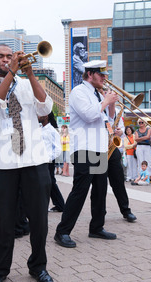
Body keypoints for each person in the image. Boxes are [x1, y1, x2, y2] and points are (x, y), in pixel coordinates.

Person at [0, 43, 54, 282]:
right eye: (1, 56)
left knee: (40, 220)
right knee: (4, 221)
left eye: (10, 56)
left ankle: (38, 266)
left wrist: (30, 74)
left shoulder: (27, 84)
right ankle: (0, 270)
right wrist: (11, 73)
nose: (7, 59)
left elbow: (46, 107)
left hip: (34, 160)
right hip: (3, 162)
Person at [54, 60, 119, 249]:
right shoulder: (78, 92)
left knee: (100, 190)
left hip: (99, 148)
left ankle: (97, 227)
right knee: (80, 191)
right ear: (90, 74)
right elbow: (90, 115)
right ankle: (62, 231)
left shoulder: (97, 94)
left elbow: (109, 119)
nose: (104, 78)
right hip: (83, 148)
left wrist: (111, 104)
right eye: (101, 74)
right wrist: (105, 101)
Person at [104, 100, 137, 223]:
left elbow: (122, 131)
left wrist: (120, 132)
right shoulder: (98, 108)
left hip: (113, 149)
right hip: (99, 148)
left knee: (118, 182)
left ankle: (126, 210)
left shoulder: (117, 111)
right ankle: (100, 212)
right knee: (99, 185)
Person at [39, 113, 64, 213]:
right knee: (49, 183)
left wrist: (48, 158)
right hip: (41, 160)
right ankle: (59, 205)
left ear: (46, 117)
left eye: (40, 114)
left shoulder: (52, 131)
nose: (38, 116)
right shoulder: (41, 129)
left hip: (48, 161)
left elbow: (58, 149)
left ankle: (60, 205)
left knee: (49, 183)